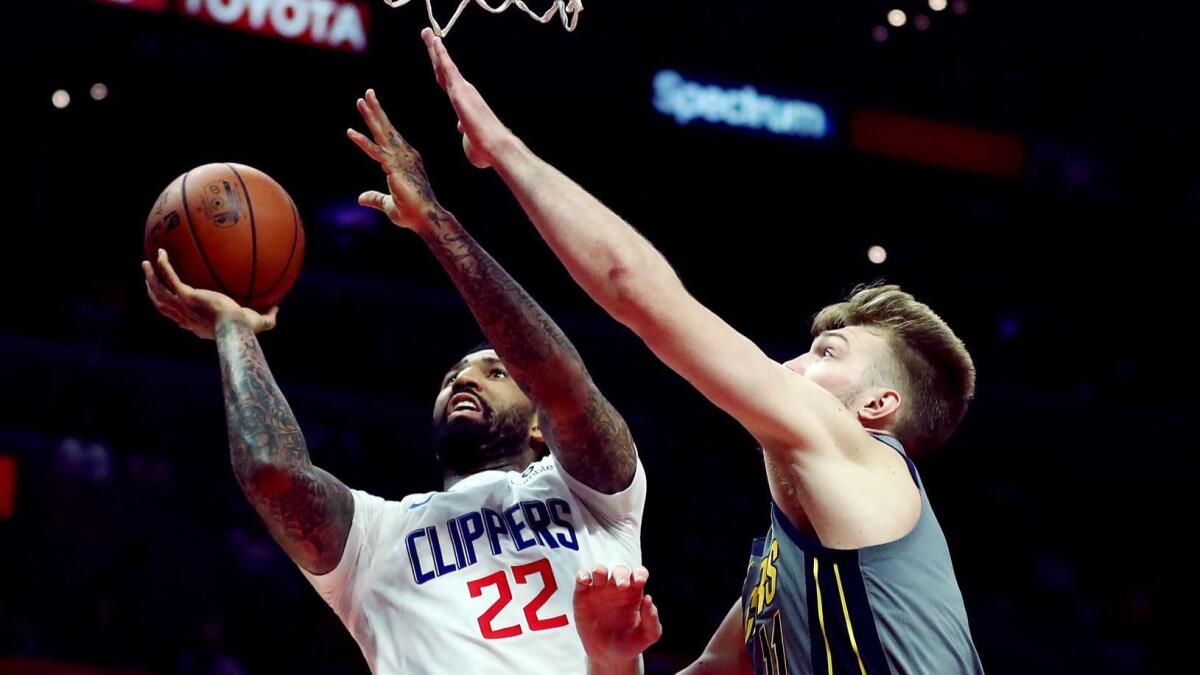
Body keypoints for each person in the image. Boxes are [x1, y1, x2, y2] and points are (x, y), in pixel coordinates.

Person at [420, 28, 984, 674]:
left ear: (877, 404)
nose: (791, 366)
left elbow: (638, 291)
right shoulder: (775, 576)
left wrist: (503, 149)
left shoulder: (866, 456)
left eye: (827, 354)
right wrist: (612, 657)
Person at [140, 87, 646, 675]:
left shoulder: (596, 495)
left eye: (495, 371)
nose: (466, 379)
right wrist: (233, 330)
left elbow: (560, 381)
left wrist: (435, 225)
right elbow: (272, 475)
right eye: (453, 375)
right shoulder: (378, 536)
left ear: (539, 425)